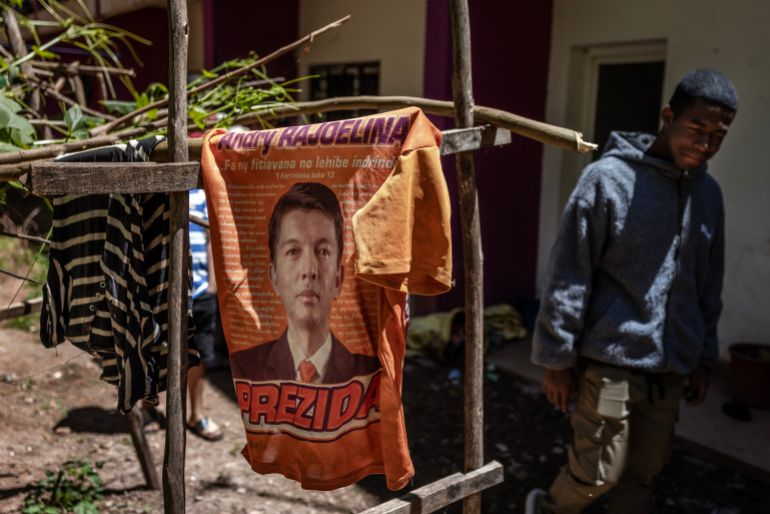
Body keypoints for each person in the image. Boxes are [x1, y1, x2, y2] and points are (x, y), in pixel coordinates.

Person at [526, 69, 738, 514]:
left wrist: (703, 354)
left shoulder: (709, 195)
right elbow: (570, 273)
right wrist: (556, 358)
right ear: (668, 117)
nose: (705, 145)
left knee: (642, 474)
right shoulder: (607, 180)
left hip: (671, 367)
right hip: (611, 359)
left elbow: (708, 283)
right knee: (596, 474)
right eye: (696, 129)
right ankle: (544, 509)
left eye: (718, 135)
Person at [229, 182, 380, 384]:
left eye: (323, 251)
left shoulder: (371, 371)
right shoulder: (246, 366)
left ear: (338, 279)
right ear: (274, 276)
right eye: (293, 251)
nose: (309, 271)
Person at [186, 188, 224, 441]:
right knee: (158, 349)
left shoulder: (202, 194)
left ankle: (196, 414)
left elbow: (211, 238)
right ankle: (148, 406)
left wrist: (212, 284)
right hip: (165, 291)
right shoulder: (159, 186)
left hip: (200, 290)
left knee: (199, 356)